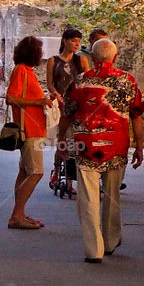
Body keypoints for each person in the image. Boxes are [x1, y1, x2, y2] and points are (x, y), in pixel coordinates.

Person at [62, 38, 144, 262]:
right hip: (116, 146)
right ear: (115, 57)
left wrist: (61, 140)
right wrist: (139, 146)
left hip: (86, 146)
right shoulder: (128, 81)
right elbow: (137, 115)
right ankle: (110, 241)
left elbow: (67, 114)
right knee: (113, 194)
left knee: (88, 197)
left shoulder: (79, 82)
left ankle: (93, 249)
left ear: (93, 58)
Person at [6, 35, 49, 230]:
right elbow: (11, 98)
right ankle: (16, 215)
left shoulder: (28, 71)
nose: (42, 55)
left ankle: (20, 212)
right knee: (36, 172)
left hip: (34, 128)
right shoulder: (21, 71)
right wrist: (38, 102)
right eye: (39, 51)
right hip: (28, 129)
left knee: (24, 171)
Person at [46, 28, 87, 193]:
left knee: (74, 142)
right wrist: (58, 95)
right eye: (73, 40)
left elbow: (87, 81)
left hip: (77, 105)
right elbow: (50, 83)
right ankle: (56, 172)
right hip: (60, 103)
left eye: (78, 40)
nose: (76, 43)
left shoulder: (81, 60)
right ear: (65, 41)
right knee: (62, 140)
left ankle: (70, 181)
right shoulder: (53, 61)